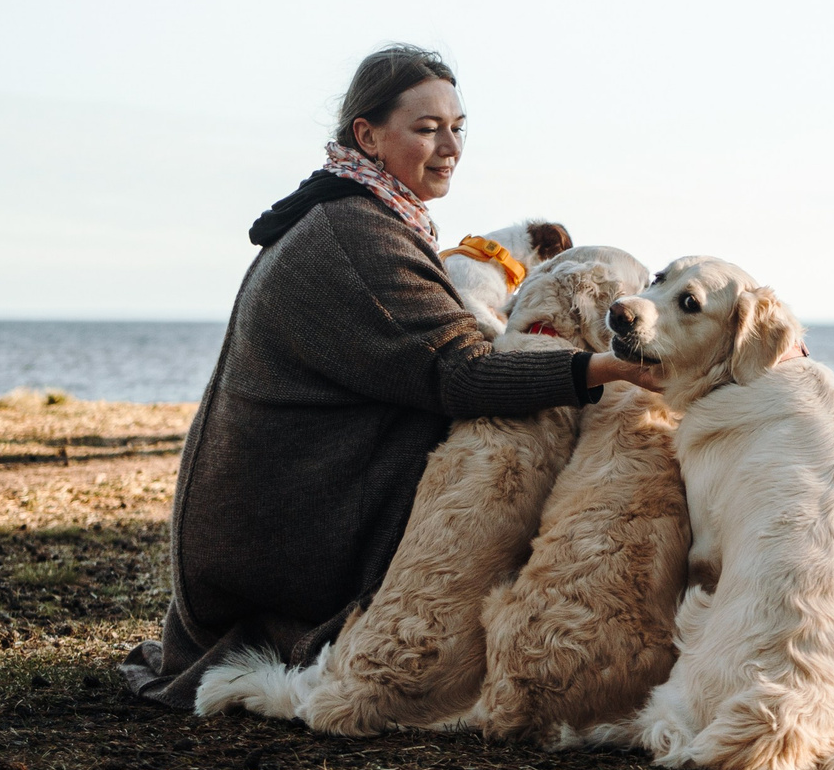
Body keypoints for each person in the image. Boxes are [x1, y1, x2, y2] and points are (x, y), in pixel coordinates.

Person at [121, 44, 661, 709]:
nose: (450, 145)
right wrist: (608, 367)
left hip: (268, 524)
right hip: (281, 545)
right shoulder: (355, 235)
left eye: (458, 127)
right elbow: (462, 371)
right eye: (427, 128)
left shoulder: (361, 213)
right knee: (523, 424)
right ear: (367, 135)